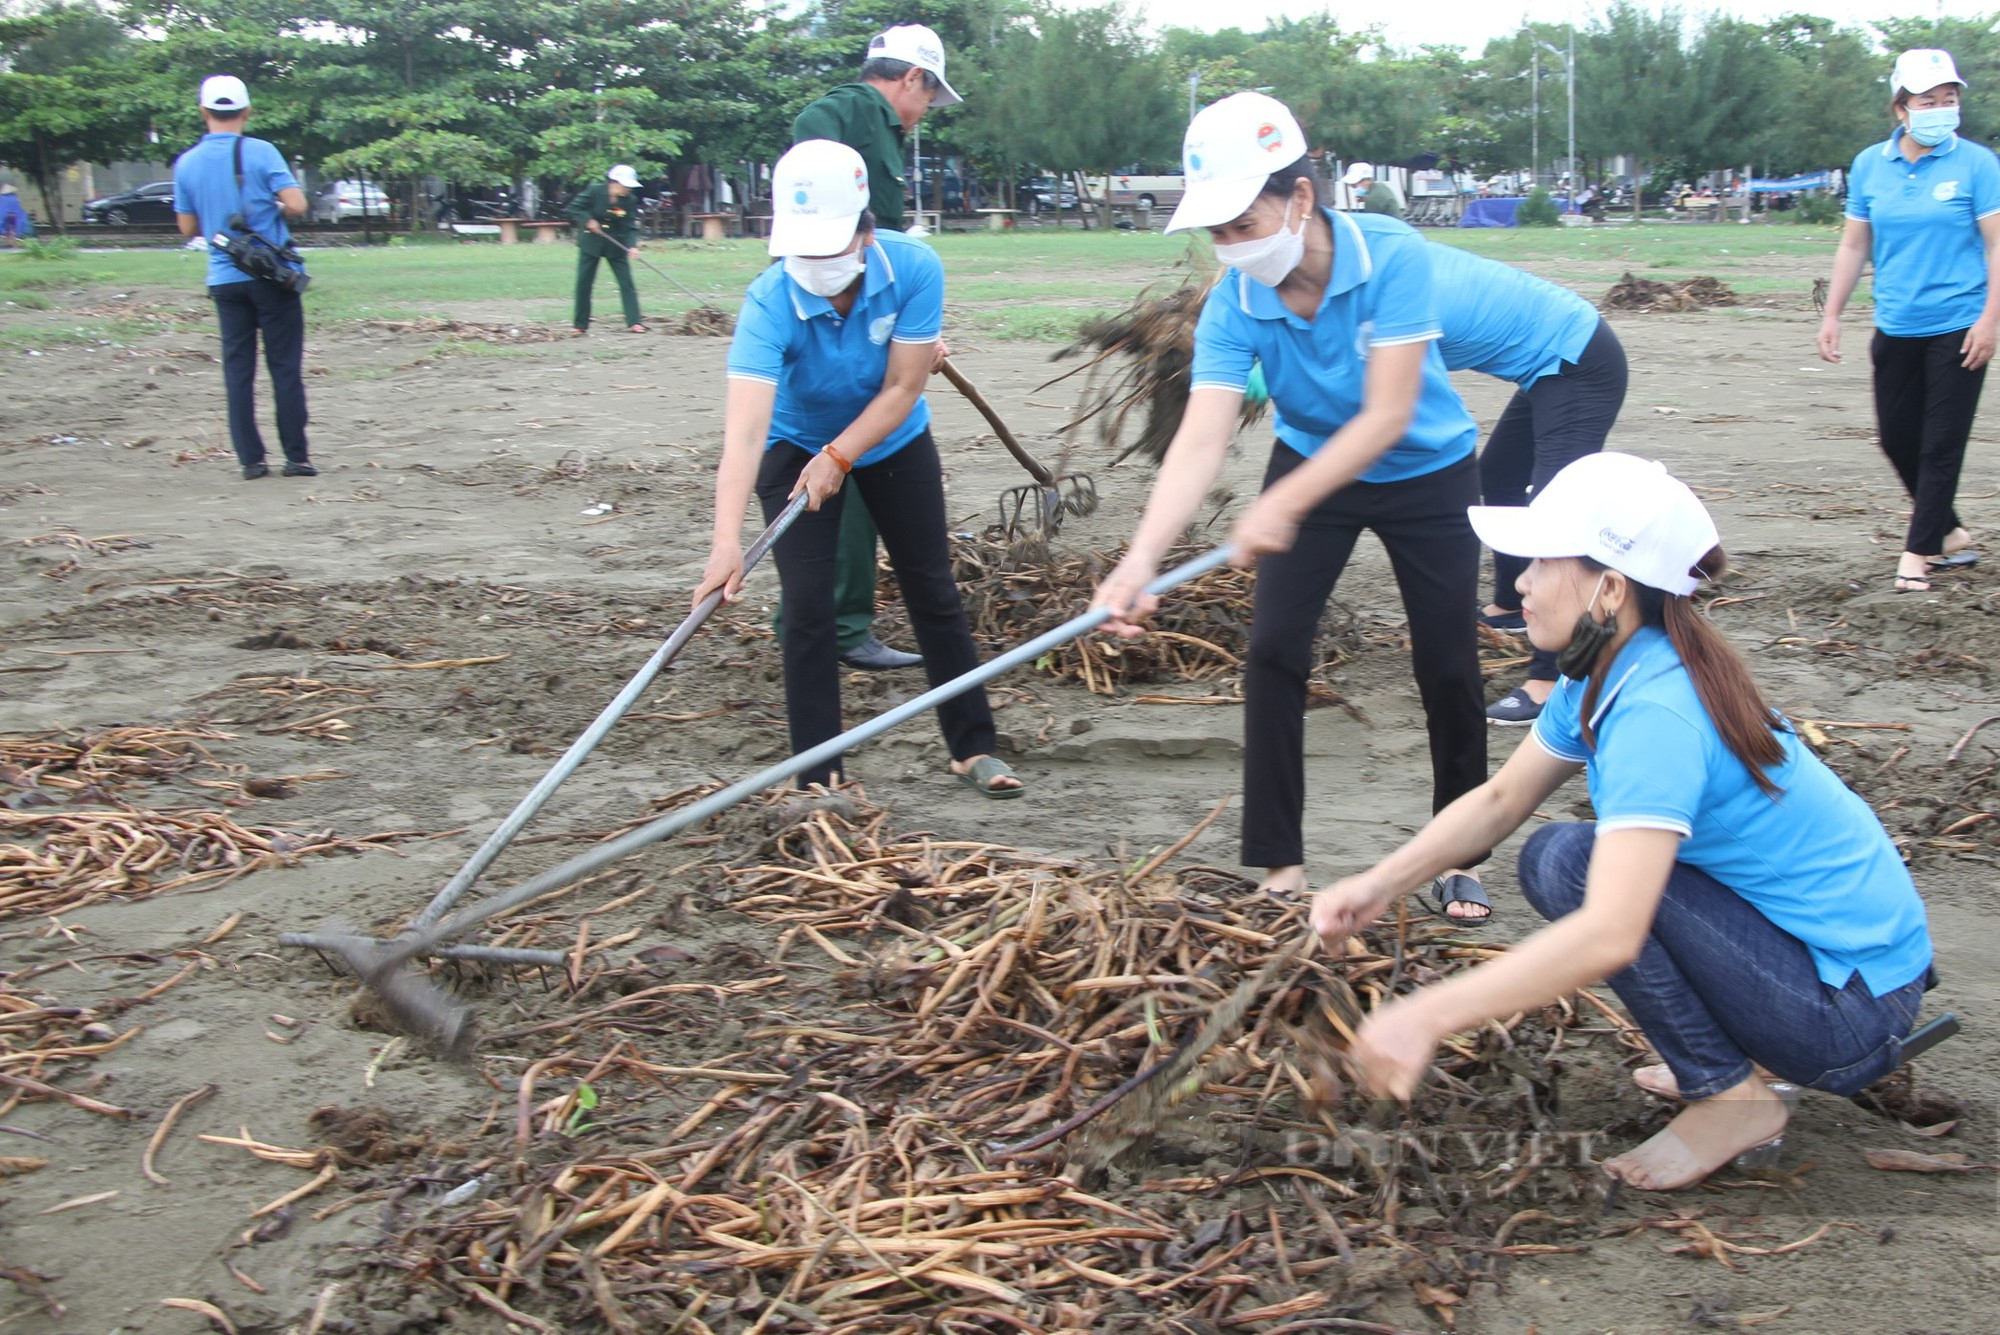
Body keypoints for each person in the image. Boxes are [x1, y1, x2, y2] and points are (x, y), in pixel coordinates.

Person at [1310, 452, 1934, 1190]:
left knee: (1581, 868)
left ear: (1609, 586)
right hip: (1839, 971)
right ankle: (1742, 1060)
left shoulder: (1658, 711)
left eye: (1543, 561)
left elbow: (1613, 932)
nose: (1521, 582)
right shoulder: (1617, 664)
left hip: (1850, 1011)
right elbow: (1501, 801)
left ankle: (1731, 1097)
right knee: (1556, 854)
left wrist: (1426, 1016)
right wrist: (1382, 881)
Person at [1094, 93, 1489, 916]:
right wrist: (1139, 560)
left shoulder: (1393, 257)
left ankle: (1461, 853)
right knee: (1272, 650)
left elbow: (1387, 414)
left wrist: (1284, 504)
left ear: (1300, 198)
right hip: (1311, 460)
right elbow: (1201, 440)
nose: (1231, 248)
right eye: (1218, 232)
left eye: (1244, 225)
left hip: (1428, 469)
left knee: (1447, 664)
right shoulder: (1235, 304)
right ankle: (1279, 866)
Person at [693, 139, 1022, 799]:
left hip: (892, 438)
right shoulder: (767, 303)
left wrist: (840, 455)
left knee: (931, 586)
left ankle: (973, 745)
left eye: (829, 246)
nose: (812, 263)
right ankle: (821, 775)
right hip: (793, 442)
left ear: (867, 235)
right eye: (800, 249)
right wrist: (725, 541)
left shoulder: (914, 268)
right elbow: (746, 430)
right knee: (809, 607)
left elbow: (904, 387)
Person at [786, 23, 963, 672]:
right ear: (910, 78)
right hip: (842, 315)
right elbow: (813, 121)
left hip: (873, 312)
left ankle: (818, 617)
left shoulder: (882, 131)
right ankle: (838, 623)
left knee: (852, 449)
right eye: (927, 97)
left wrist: (913, 328)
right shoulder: (858, 110)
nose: (922, 117)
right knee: (856, 449)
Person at [1425, 242, 1630, 725]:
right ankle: (1512, 605)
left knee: (1555, 519)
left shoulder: (1388, 299)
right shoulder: (1377, 269)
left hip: (1578, 360)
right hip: (1548, 365)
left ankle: (1551, 679)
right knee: (1497, 475)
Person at [1820, 48, 2000, 593]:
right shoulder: (1872, 164)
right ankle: (1946, 531)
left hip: (1959, 325)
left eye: (1950, 99)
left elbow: (1997, 247)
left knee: (1939, 445)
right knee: (1896, 439)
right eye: (1928, 100)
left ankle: (1918, 554)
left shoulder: (1978, 165)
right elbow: (1855, 245)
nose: (1942, 109)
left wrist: (1990, 320)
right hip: (1896, 324)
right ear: (1901, 108)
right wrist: (1832, 312)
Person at [171, 75, 315, 482]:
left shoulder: (187, 163)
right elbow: (297, 204)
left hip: (224, 278)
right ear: (246, 112)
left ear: (204, 113)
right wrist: (273, 208)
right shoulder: (261, 151)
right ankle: (297, 457)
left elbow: (186, 228)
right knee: (284, 367)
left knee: (238, 370)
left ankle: (251, 461)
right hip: (273, 277)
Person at [567, 164, 647, 335]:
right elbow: (574, 208)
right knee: (584, 283)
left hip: (616, 244)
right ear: (614, 182)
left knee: (626, 282)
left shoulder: (629, 201)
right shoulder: (595, 191)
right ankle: (580, 324)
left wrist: (632, 246)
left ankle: (634, 321)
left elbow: (630, 226)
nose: (628, 189)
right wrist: (588, 220)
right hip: (591, 243)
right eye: (626, 186)